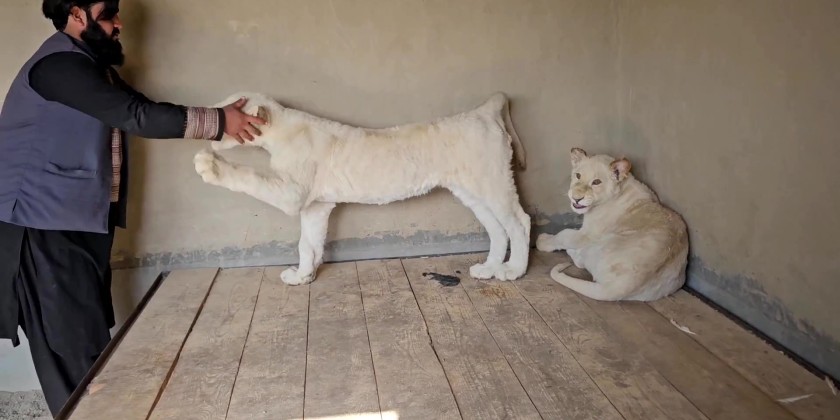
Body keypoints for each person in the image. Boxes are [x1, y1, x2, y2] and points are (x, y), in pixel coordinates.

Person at [0, 0, 266, 415]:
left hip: (67, 223)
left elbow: (141, 108)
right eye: (108, 14)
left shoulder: (89, 65)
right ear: (76, 14)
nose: (118, 23)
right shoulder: (58, 67)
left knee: (85, 345)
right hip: (40, 226)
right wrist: (218, 122)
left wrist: (218, 118)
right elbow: (136, 116)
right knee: (74, 353)